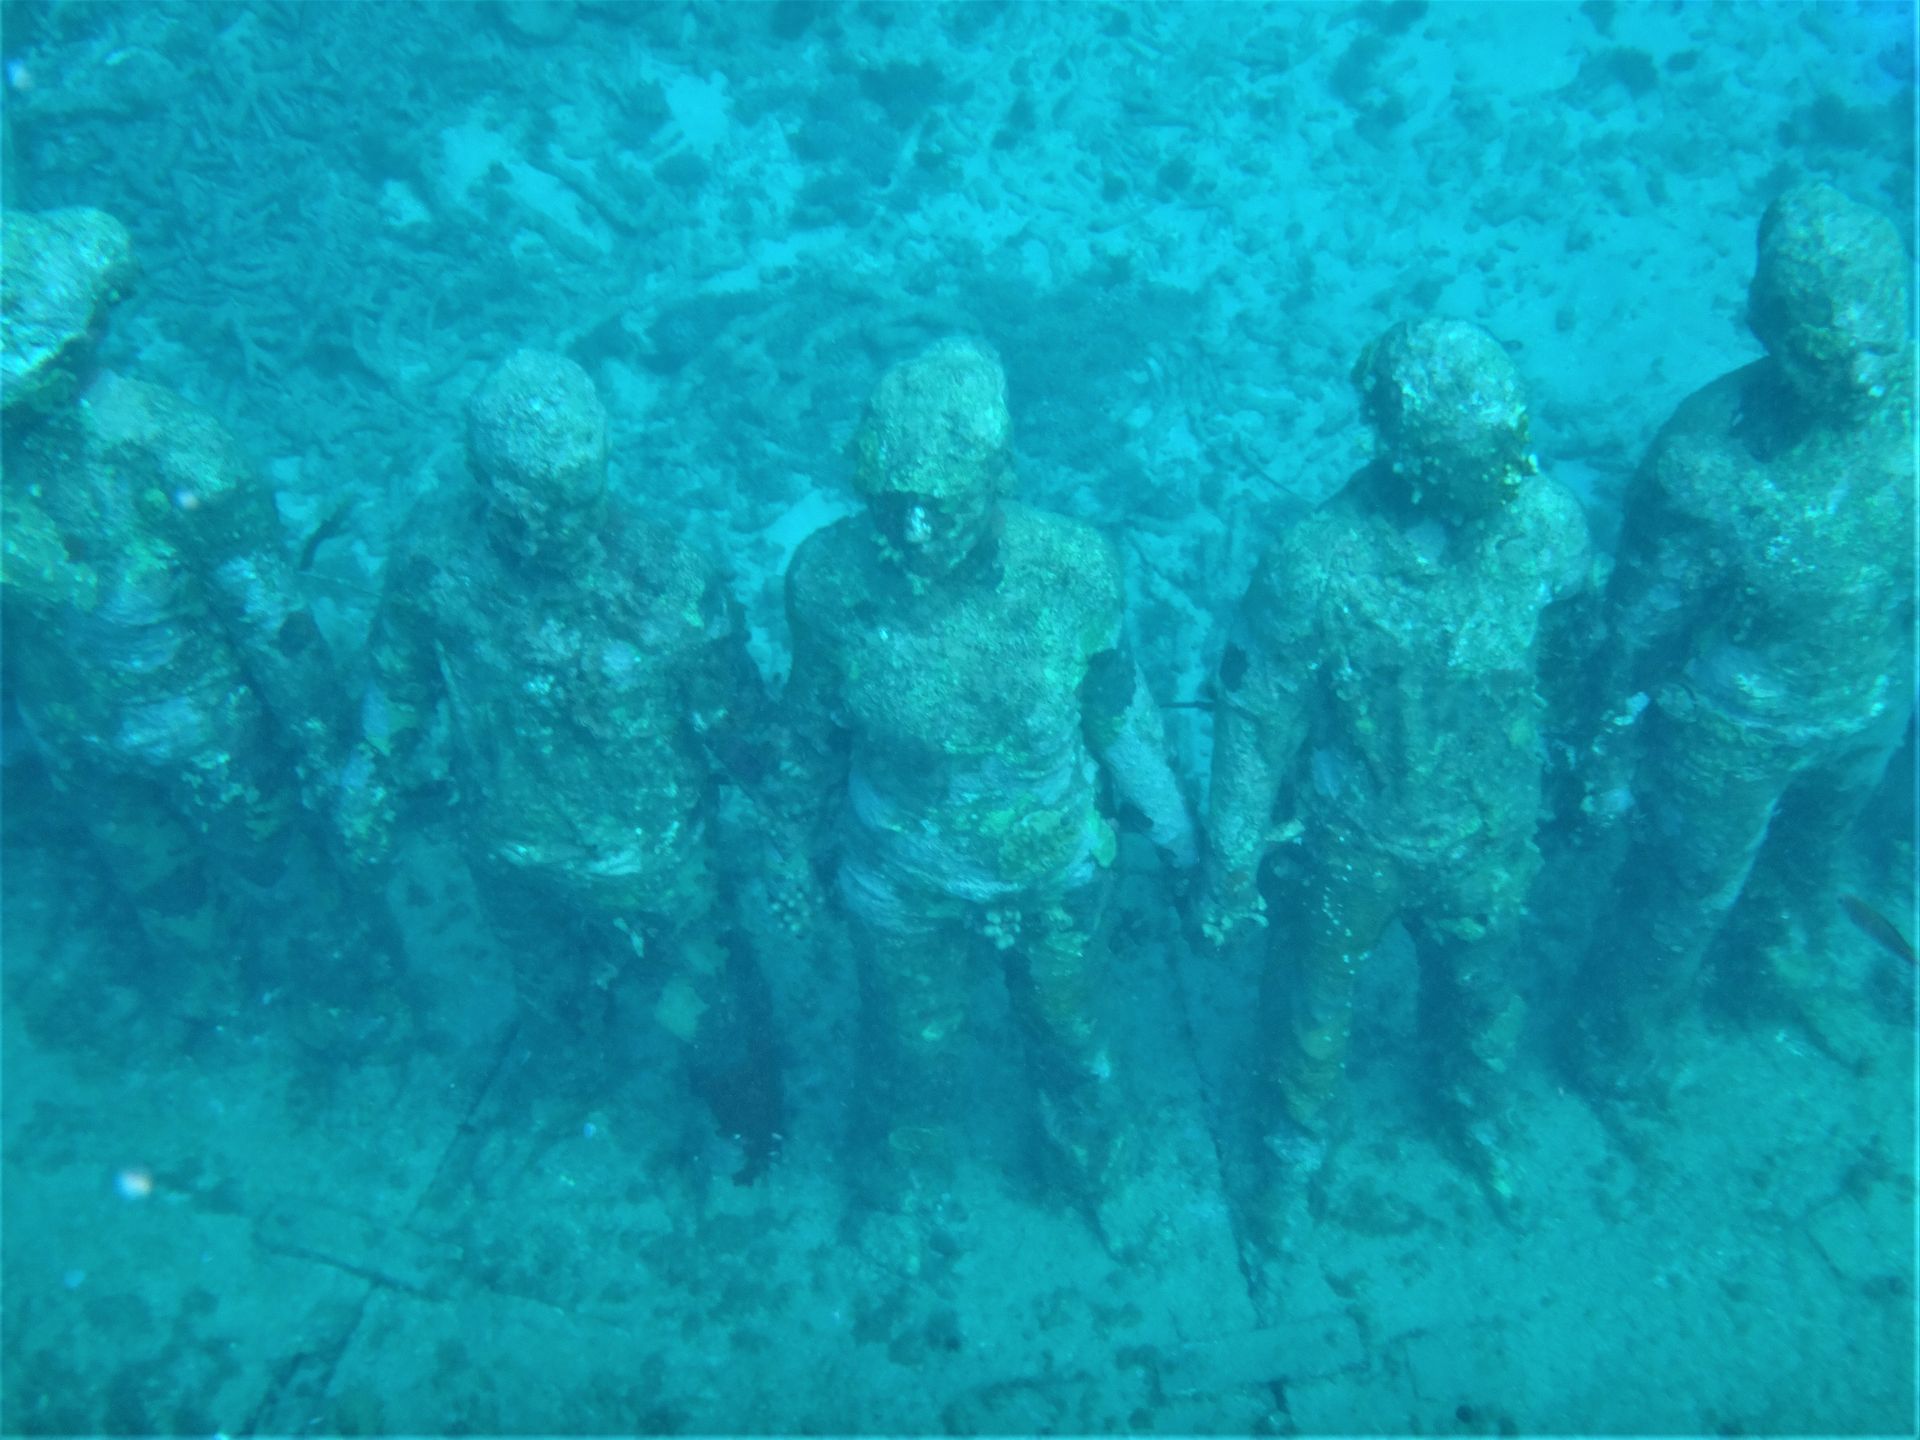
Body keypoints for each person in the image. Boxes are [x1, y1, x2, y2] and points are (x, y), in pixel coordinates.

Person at [772, 336, 1196, 1231]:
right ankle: (902, 1197)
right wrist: (796, 855)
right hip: (899, 874)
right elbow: (810, 732)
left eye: (942, 505)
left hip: (1054, 867)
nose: (915, 532)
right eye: (892, 505)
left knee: (1074, 1039)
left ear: (998, 477)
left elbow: (1116, 707)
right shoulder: (827, 580)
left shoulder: (1072, 570)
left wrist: (1181, 833)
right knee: (907, 1049)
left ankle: (1090, 1175)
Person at [337, 349, 773, 1151]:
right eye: (526, 502)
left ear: (603, 465)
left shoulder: (671, 584)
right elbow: (399, 682)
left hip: (656, 864)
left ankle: (744, 1115)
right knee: (546, 983)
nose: (553, 525)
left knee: (706, 999)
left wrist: (793, 842)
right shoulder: (433, 558)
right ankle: (574, 1080)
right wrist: (369, 775)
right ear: (482, 477)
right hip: (506, 848)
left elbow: (743, 735)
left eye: (574, 495)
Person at [1200, 317, 1591, 1209]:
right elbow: (1256, 718)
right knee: (1311, 1015)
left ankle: (1476, 1116)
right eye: (1485, 455)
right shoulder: (1316, 567)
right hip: (1350, 842)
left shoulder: (1548, 532)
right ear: (1412, 452)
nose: (1514, 471)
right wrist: (1229, 865)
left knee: (1483, 992)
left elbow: (1570, 660)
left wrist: (1575, 772)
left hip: (1486, 834)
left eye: (1515, 443)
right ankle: (1291, 1154)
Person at [1570, 183, 1914, 1086]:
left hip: (1869, 701)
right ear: (1773, 335)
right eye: (1828, 352)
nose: (1865, 378)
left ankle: (1768, 978)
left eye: (1883, 339)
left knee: (1808, 861)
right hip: (1729, 731)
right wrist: (1606, 759)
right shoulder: (1707, 456)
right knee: (1678, 904)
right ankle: (1616, 1050)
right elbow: (1634, 630)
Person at [3, 207, 387, 1012]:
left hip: (209, 736)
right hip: (71, 729)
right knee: (159, 891)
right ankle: (211, 1003)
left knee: (282, 876)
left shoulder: (176, 454)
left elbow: (274, 626)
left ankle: (352, 1010)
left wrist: (334, 761)